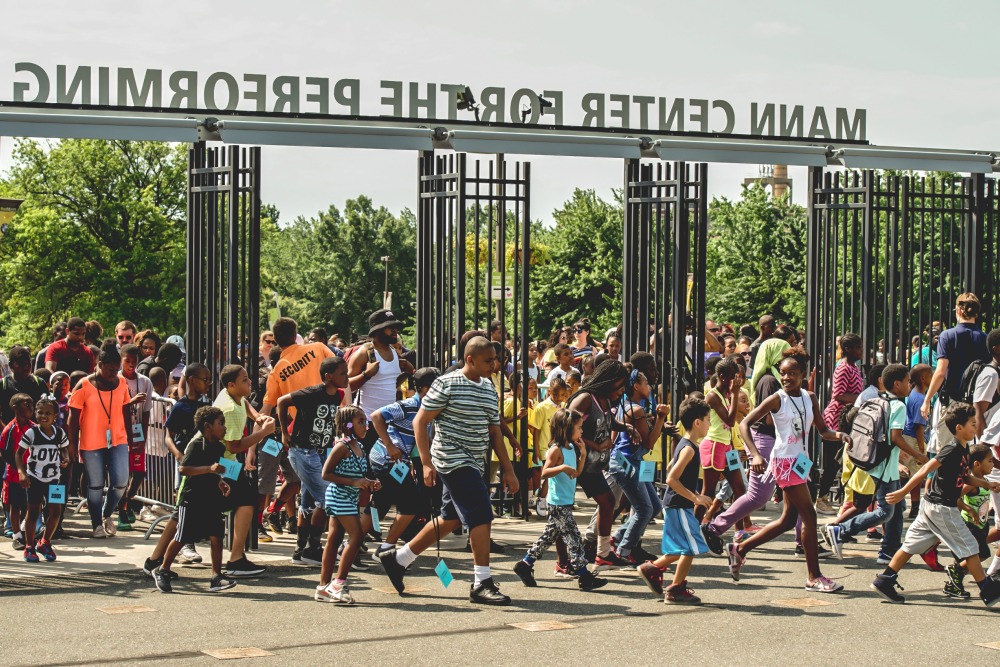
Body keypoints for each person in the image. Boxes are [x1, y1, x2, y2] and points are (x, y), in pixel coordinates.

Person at [378, 336, 520, 605]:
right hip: (452, 460)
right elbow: (421, 421)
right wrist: (427, 462)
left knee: (451, 519)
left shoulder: (489, 388)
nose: (494, 364)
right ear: (470, 359)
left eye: (495, 359)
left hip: (474, 462)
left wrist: (508, 470)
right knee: (481, 515)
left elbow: (494, 432)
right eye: (488, 360)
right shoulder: (447, 383)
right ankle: (482, 582)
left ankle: (399, 559)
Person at [727, 346, 849, 593]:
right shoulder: (777, 399)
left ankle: (739, 549)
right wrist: (755, 454)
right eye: (783, 373)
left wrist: (842, 435)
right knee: (810, 517)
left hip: (800, 463)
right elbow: (745, 424)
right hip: (783, 464)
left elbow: (823, 432)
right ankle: (814, 577)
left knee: (786, 521)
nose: (786, 378)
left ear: (802, 374)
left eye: (792, 373)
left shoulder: (810, 397)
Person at [871, 402, 1000, 606]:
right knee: (971, 546)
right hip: (942, 508)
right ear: (959, 428)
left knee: (910, 545)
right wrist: (903, 491)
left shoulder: (964, 450)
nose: (976, 427)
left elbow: (964, 477)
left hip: (930, 507)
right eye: (972, 424)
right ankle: (987, 589)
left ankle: (884, 580)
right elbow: (924, 470)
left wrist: (987, 483)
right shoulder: (951, 449)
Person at [824, 364, 928, 563]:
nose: (909, 385)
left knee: (897, 508)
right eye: (907, 381)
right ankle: (840, 530)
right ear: (897, 384)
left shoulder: (878, 399)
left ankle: (889, 551)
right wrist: (918, 455)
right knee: (884, 511)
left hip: (879, 463)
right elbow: (895, 437)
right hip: (885, 469)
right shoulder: (898, 406)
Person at [261, 317, 340, 543]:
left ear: (275, 340)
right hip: (321, 435)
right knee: (327, 497)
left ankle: (304, 546)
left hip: (306, 438)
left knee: (308, 493)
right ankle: (326, 543)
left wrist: (254, 444)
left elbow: (268, 408)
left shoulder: (276, 371)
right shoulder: (317, 348)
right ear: (297, 333)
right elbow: (340, 373)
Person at [512, 408, 607, 591]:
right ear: (566, 428)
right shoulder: (556, 450)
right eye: (579, 428)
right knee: (574, 539)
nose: (581, 431)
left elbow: (577, 473)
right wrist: (562, 467)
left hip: (565, 502)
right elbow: (545, 472)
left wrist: (584, 455)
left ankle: (525, 564)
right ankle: (584, 575)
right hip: (557, 504)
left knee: (548, 537)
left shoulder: (572, 448)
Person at [153, 406, 237, 594]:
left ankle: (216, 576)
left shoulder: (219, 446)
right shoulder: (196, 444)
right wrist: (209, 469)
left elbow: (214, 471)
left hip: (211, 498)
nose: (224, 428)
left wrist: (221, 482)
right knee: (183, 536)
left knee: (217, 536)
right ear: (208, 426)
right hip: (192, 499)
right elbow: (183, 469)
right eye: (221, 424)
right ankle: (163, 570)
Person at [637, 397, 714, 604]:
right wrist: (695, 497)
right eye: (707, 419)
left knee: (682, 547)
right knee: (691, 546)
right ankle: (672, 586)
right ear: (697, 423)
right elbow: (671, 478)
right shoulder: (689, 448)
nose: (709, 424)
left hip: (676, 504)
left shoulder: (684, 444)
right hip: (679, 505)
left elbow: (671, 466)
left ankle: (654, 570)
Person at [277, 355, 349, 566]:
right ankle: (314, 549)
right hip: (303, 452)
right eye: (342, 373)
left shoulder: (338, 396)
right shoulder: (312, 393)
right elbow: (282, 402)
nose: (346, 377)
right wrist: (284, 432)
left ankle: (302, 551)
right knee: (329, 499)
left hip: (321, 452)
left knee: (308, 503)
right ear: (328, 376)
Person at [143, 363, 213, 576]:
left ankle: (157, 561)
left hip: (203, 466)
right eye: (204, 379)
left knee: (182, 514)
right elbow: (168, 435)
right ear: (192, 379)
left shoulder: (207, 405)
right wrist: (178, 455)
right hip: (187, 466)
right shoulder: (181, 407)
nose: (208, 384)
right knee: (181, 513)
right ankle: (160, 560)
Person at [568, 360, 634, 569]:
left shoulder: (605, 400)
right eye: (620, 385)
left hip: (594, 464)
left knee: (607, 503)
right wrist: (595, 445)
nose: (622, 390)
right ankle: (590, 555)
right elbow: (567, 428)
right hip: (578, 462)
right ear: (609, 381)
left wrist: (626, 427)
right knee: (563, 511)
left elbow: (606, 422)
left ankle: (603, 553)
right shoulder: (585, 399)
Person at [68, 343, 139, 538]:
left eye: (116, 370)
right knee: (96, 484)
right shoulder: (83, 385)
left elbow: (126, 411)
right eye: (109, 370)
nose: (113, 373)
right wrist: (72, 443)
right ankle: (96, 524)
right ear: (99, 364)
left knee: (121, 481)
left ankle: (107, 514)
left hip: (118, 439)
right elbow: (73, 418)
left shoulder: (122, 383)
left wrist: (130, 440)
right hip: (92, 442)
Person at [368, 367, 440, 553]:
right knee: (410, 504)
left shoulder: (427, 409)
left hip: (397, 463)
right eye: (436, 385)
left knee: (383, 501)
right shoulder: (408, 405)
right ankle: (387, 547)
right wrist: (390, 446)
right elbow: (376, 416)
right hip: (387, 460)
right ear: (424, 389)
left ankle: (352, 544)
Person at [214, 363, 276, 577]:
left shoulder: (232, 394)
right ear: (232, 385)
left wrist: (257, 417)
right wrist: (263, 431)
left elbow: (246, 403)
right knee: (246, 500)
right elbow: (234, 446)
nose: (250, 382)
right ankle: (236, 559)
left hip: (228, 462)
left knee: (247, 500)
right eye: (244, 380)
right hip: (223, 464)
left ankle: (237, 557)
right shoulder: (228, 409)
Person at [315, 406, 377, 603]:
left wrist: (369, 482)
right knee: (357, 537)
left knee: (334, 540)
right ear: (348, 425)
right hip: (339, 496)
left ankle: (323, 587)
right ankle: (337, 584)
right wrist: (354, 483)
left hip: (349, 498)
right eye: (360, 422)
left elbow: (358, 475)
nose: (365, 425)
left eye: (365, 421)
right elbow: (326, 474)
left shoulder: (359, 445)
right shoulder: (342, 446)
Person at [609, 368, 671, 564]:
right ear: (636, 386)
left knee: (654, 507)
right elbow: (648, 443)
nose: (650, 387)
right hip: (627, 463)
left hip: (632, 462)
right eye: (645, 383)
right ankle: (624, 551)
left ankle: (618, 537)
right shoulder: (635, 409)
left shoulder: (629, 405)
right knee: (644, 509)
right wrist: (661, 417)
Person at [921, 293, 989, 447]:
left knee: (947, 449)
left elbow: (940, 372)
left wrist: (927, 400)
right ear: (976, 313)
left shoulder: (947, 336)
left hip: (952, 401)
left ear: (958, 310)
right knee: (973, 451)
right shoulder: (984, 338)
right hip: (975, 402)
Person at [14, 397, 68, 562]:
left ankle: (45, 542)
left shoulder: (59, 433)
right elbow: (18, 454)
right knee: (33, 512)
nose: (43, 416)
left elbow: (64, 449)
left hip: (54, 479)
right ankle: (29, 546)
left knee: (56, 512)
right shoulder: (32, 433)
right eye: (40, 412)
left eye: (48, 413)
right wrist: (22, 473)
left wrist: (65, 458)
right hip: (35, 478)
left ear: (55, 416)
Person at [818, 333, 863, 516]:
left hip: (846, 421)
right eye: (858, 347)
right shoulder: (843, 368)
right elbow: (838, 394)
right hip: (836, 420)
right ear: (847, 349)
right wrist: (861, 399)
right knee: (832, 461)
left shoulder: (854, 367)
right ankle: (821, 498)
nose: (861, 351)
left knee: (842, 461)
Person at [698, 358, 747, 524]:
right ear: (722, 376)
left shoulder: (727, 394)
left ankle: (739, 530)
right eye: (732, 376)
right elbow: (730, 421)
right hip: (713, 446)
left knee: (740, 490)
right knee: (708, 492)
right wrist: (734, 393)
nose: (735, 381)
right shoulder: (712, 396)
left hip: (726, 447)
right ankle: (694, 528)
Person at [943, 444, 994, 598]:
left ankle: (953, 584)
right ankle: (956, 570)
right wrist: (969, 510)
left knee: (979, 554)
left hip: (982, 525)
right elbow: (955, 497)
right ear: (977, 464)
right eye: (990, 461)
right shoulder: (971, 483)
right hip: (971, 525)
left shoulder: (984, 480)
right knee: (982, 553)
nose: (993, 464)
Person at [117, 344, 152, 531]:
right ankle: (121, 510)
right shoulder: (115, 380)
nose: (131, 364)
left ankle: (128, 500)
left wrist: (143, 437)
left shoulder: (144, 381)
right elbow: (115, 407)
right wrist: (130, 402)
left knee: (138, 472)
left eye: (134, 361)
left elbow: (146, 411)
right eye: (127, 361)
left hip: (137, 431)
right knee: (123, 474)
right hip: (120, 434)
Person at [2, 394, 36, 550]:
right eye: (26, 404)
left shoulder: (34, 428)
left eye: (31, 404)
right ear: (15, 408)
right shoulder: (10, 429)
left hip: (33, 474)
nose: (31, 407)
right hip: (15, 475)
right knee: (15, 506)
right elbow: (6, 452)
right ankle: (16, 535)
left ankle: (25, 531)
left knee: (31, 504)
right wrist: (20, 469)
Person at [901, 364, 933, 518]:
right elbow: (918, 426)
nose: (933, 376)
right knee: (916, 474)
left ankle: (913, 506)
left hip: (909, 437)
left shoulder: (912, 394)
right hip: (914, 438)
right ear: (922, 379)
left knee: (912, 474)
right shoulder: (921, 398)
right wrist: (921, 448)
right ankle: (913, 506)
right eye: (930, 374)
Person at [0, 345, 49, 427]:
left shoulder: (39, 383)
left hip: (35, 434)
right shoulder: (3, 384)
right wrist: (6, 432)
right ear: (11, 365)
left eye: (28, 363)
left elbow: (47, 409)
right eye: (21, 364)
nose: (26, 367)